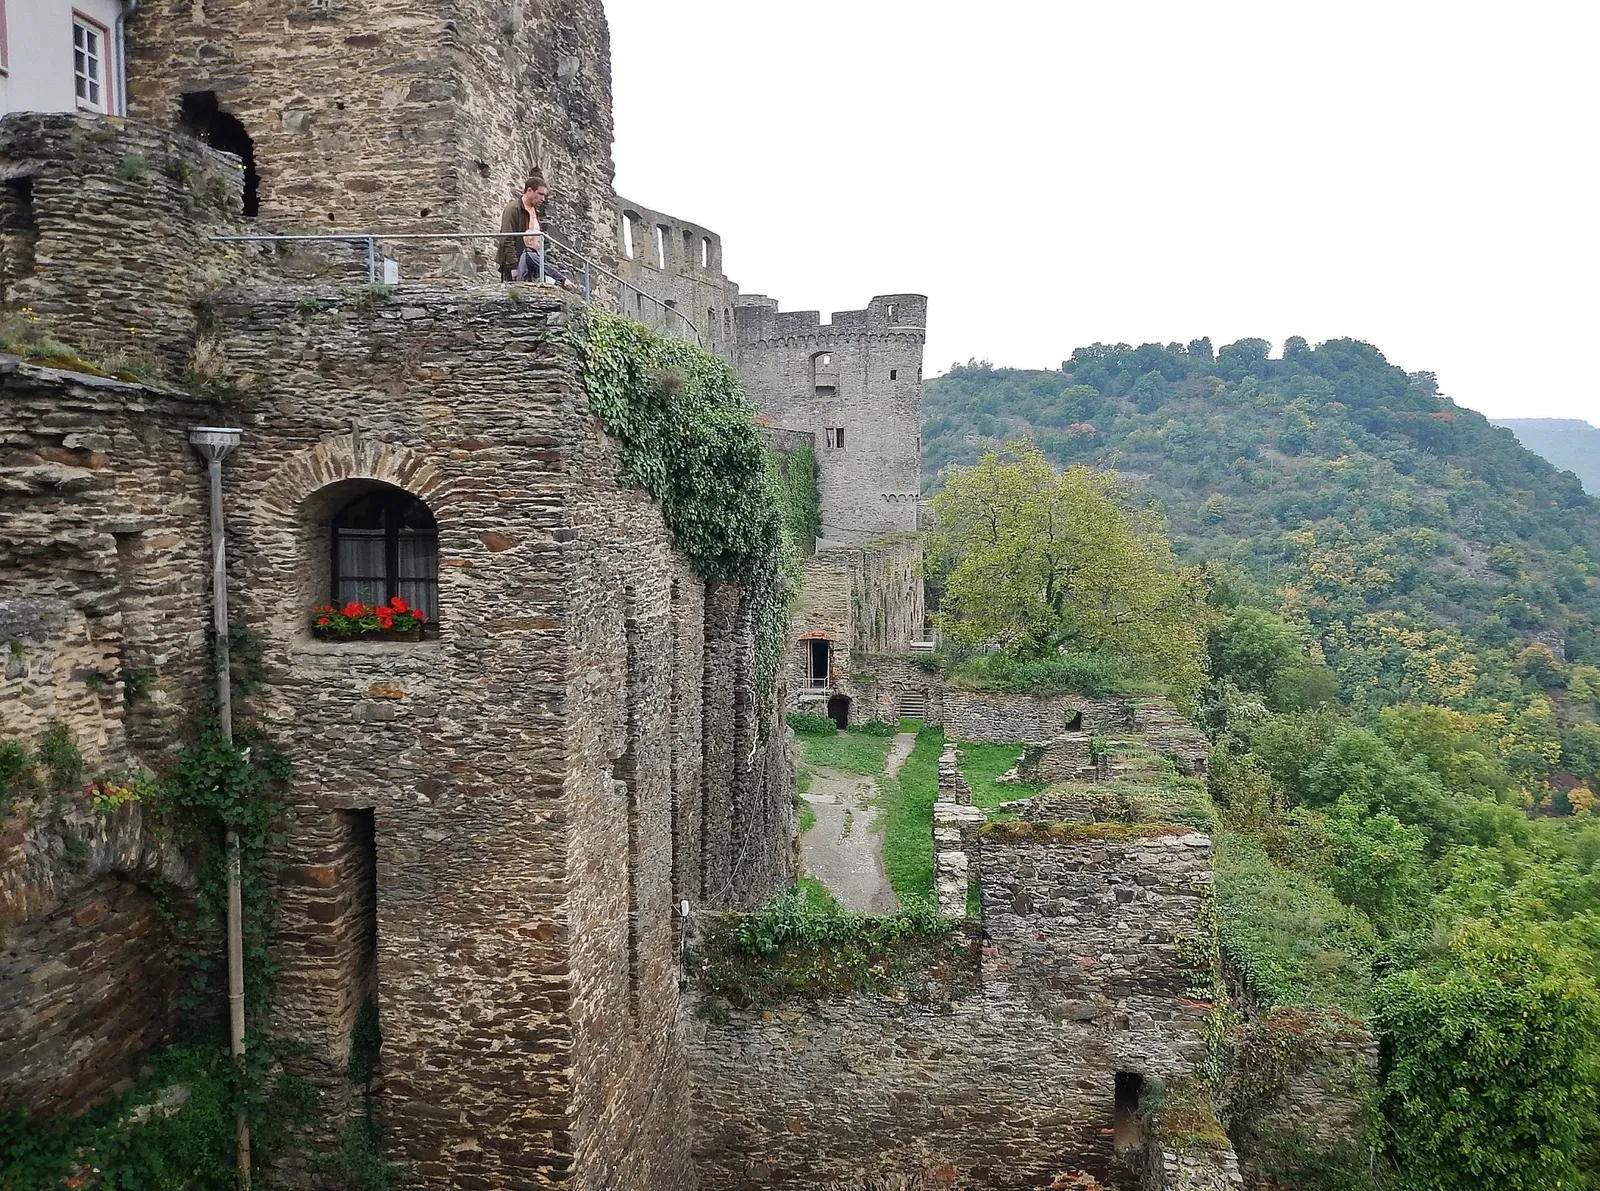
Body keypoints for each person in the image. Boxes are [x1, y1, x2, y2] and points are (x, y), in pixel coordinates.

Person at [497, 175, 576, 289]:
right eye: (540, 194)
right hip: (516, 262)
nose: (543, 199)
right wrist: (513, 266)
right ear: (529, 190)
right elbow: (507, 238)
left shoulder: (534, 211)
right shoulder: (513, 209)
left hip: (531, 261)